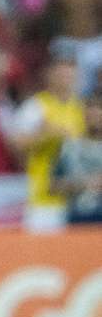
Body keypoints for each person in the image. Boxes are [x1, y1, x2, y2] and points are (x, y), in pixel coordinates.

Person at [10, 55, 86, 231]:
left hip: (78, 197)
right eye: (60, 72)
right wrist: (46, 135)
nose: (65, 77)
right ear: (49, 75)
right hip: (44, 198)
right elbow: (15, 142)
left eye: (69, 73)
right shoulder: (36, 107)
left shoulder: (82, 107)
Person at [51, 92, 102, 225]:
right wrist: (83, 184)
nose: (94, 116)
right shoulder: (69, 147)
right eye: (90, 111)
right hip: (78, 218)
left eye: (98, 111)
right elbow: (53, 186)